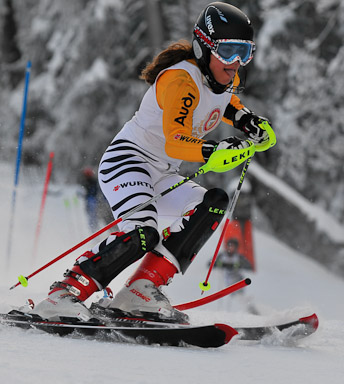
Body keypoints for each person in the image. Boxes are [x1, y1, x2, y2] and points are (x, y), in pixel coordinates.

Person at [27, 2, 275, 322]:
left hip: (162, 171)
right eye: (228, 51)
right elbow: (175, 138)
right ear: (203, 47)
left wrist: (248, 121)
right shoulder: (180, 81)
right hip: (128, 161)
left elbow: (225, 101)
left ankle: (141, 290)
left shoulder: (220, 78)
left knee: (213, 203)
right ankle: (65, 293)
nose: (236, 62)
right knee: (142, 234)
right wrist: (212, 153)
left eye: (245, 51)